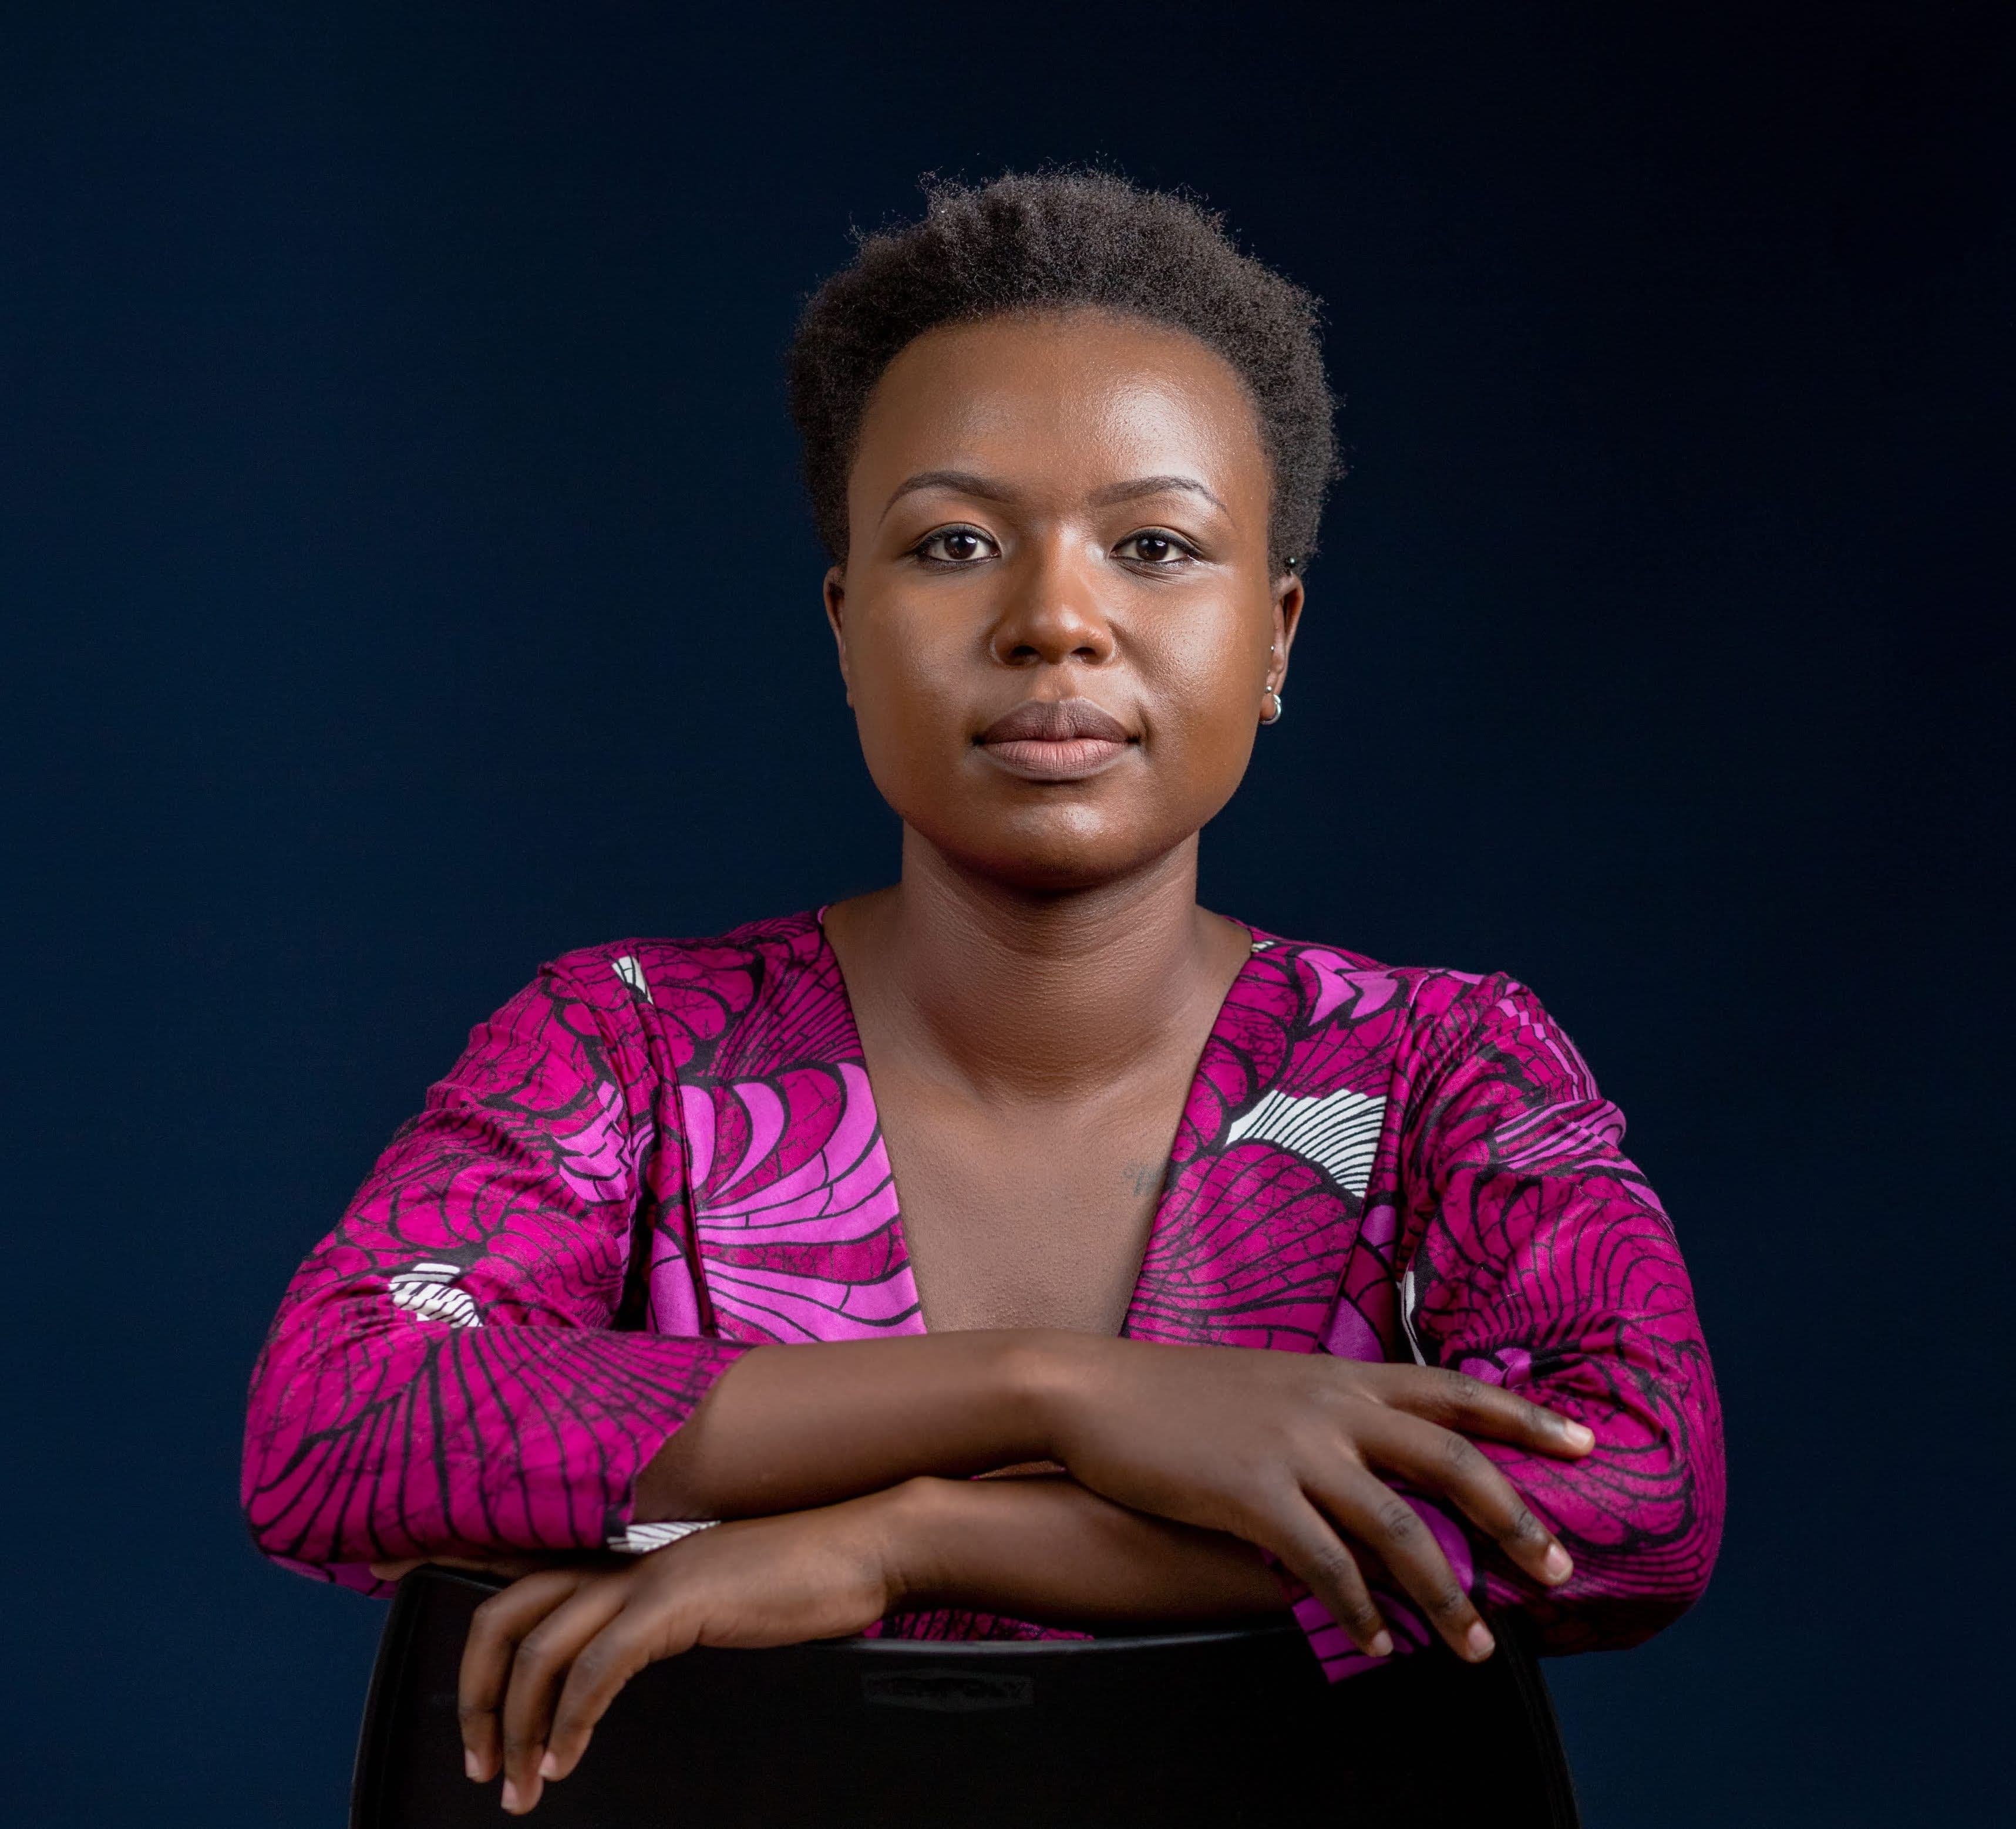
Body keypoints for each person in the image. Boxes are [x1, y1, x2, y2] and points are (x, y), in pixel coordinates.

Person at [243, 171, 1724, 1817]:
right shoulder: (633, 1044)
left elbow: (1635, 1496)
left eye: (1153, 547)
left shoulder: (1442, 1069)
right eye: (954, 544)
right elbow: (337, 1416)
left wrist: (910, 1535)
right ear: (844, 624)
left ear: (1277, 636)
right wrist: (1058, 1389)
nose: (1055, 622)